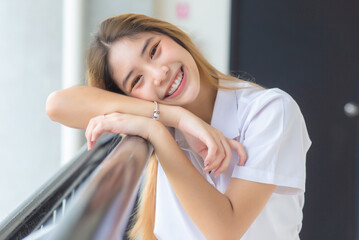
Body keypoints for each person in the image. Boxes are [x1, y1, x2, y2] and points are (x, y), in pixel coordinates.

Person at [46, 13, 311, 240]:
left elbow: (225, 231)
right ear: (128, 100)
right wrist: (176, 119)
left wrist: (156, 132)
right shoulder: (163, 122)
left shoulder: (269, 111)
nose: (160, 74)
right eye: (137, 80)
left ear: (174, 37)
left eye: (154, 51)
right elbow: (57, 105)